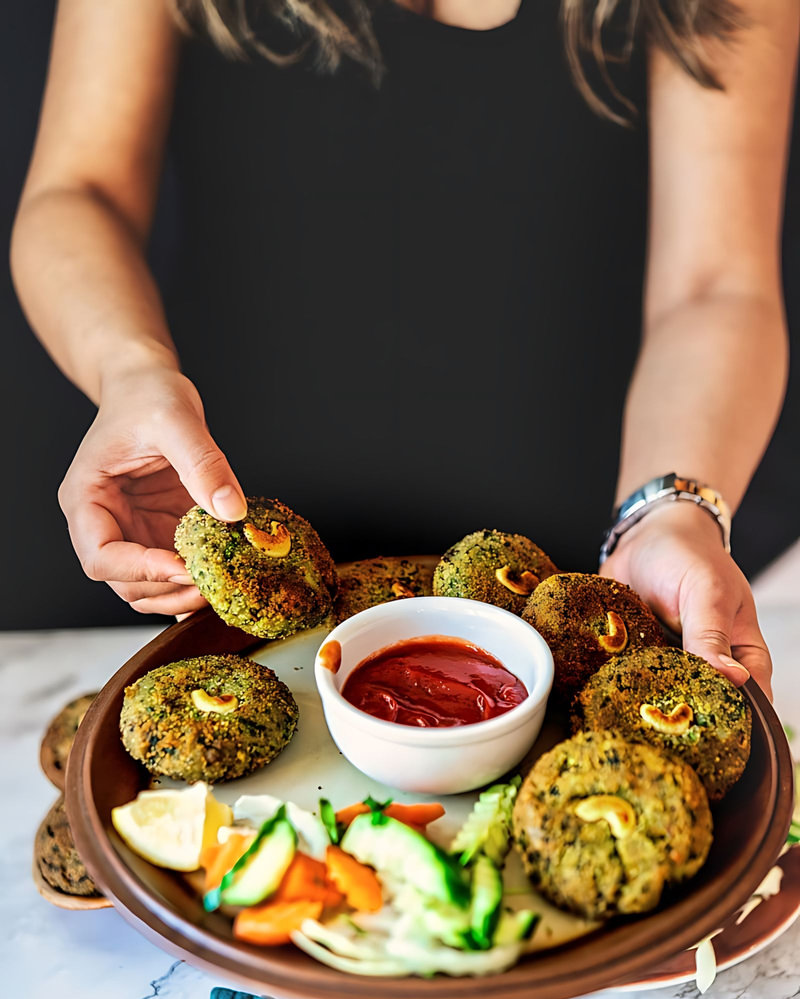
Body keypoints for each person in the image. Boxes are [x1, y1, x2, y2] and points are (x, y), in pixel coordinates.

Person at [10, 0, 796, 699]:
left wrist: (663, 511)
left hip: (568, 584)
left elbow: (715, 284)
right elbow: (81, 193)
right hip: (206, 529)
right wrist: (131, 371)